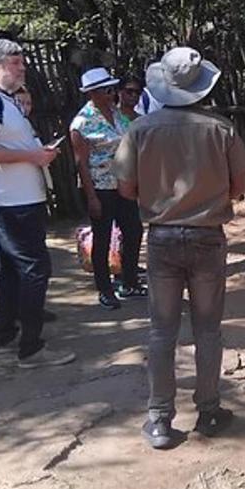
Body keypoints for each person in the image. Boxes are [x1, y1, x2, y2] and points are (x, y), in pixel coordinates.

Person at [114, 46, 245, 449]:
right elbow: (240, 187)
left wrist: (157, 194)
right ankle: (209, 410)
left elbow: (124, 188)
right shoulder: (221, 129)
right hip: (209, 237)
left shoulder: (140, 129)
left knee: (161, 331)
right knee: (208, 329)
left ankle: (159, 419)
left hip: (162, 238)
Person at [0, 39, 75, 368]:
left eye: (22, 61)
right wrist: (31, 155)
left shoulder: (6, 101)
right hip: (9, 202)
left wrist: (38, 153)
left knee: (14, 270)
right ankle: (31, 347)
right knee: (35, 268)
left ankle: (5, 336)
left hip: (20, 199)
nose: (22, 67)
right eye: (14, 62)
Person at [70, 67, 145, 310]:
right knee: (102, 238)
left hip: (123, 183)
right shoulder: (81, 124)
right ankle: (104, 288)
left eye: (111, 88)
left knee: (133, 230)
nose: (111, 93)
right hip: (100, 186)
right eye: (106, 89)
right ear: (93, 92)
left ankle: (129, 280)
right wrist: (91, 197)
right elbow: (81, 163)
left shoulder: (117, 113)